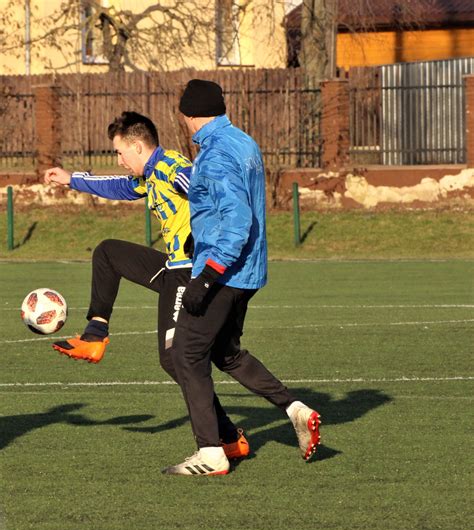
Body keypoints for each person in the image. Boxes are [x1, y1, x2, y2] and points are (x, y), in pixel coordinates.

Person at [44, 111, 249, 460]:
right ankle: (95, 335)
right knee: (109, 253)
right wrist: (72, 180)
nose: (119, 160)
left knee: (174, 360)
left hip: (189, 271)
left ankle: (227, 438)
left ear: (138, 146)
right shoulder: (150, 172)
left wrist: (212, 242)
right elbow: (122, 187)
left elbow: (204, 189)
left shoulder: (171, 168)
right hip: (172, 266)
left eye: (121, 153)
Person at [162, 80, 321, 476]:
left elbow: (236, 219)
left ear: (190, 115)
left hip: (225, 271)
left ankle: (212, 453)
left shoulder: (213, 155)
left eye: (183, 115)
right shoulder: (244, 142)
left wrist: (206, 276)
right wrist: (196, 236)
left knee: (185, 353)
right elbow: (232, 206)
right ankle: (295, 408)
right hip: (247, 270)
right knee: (226, 353)